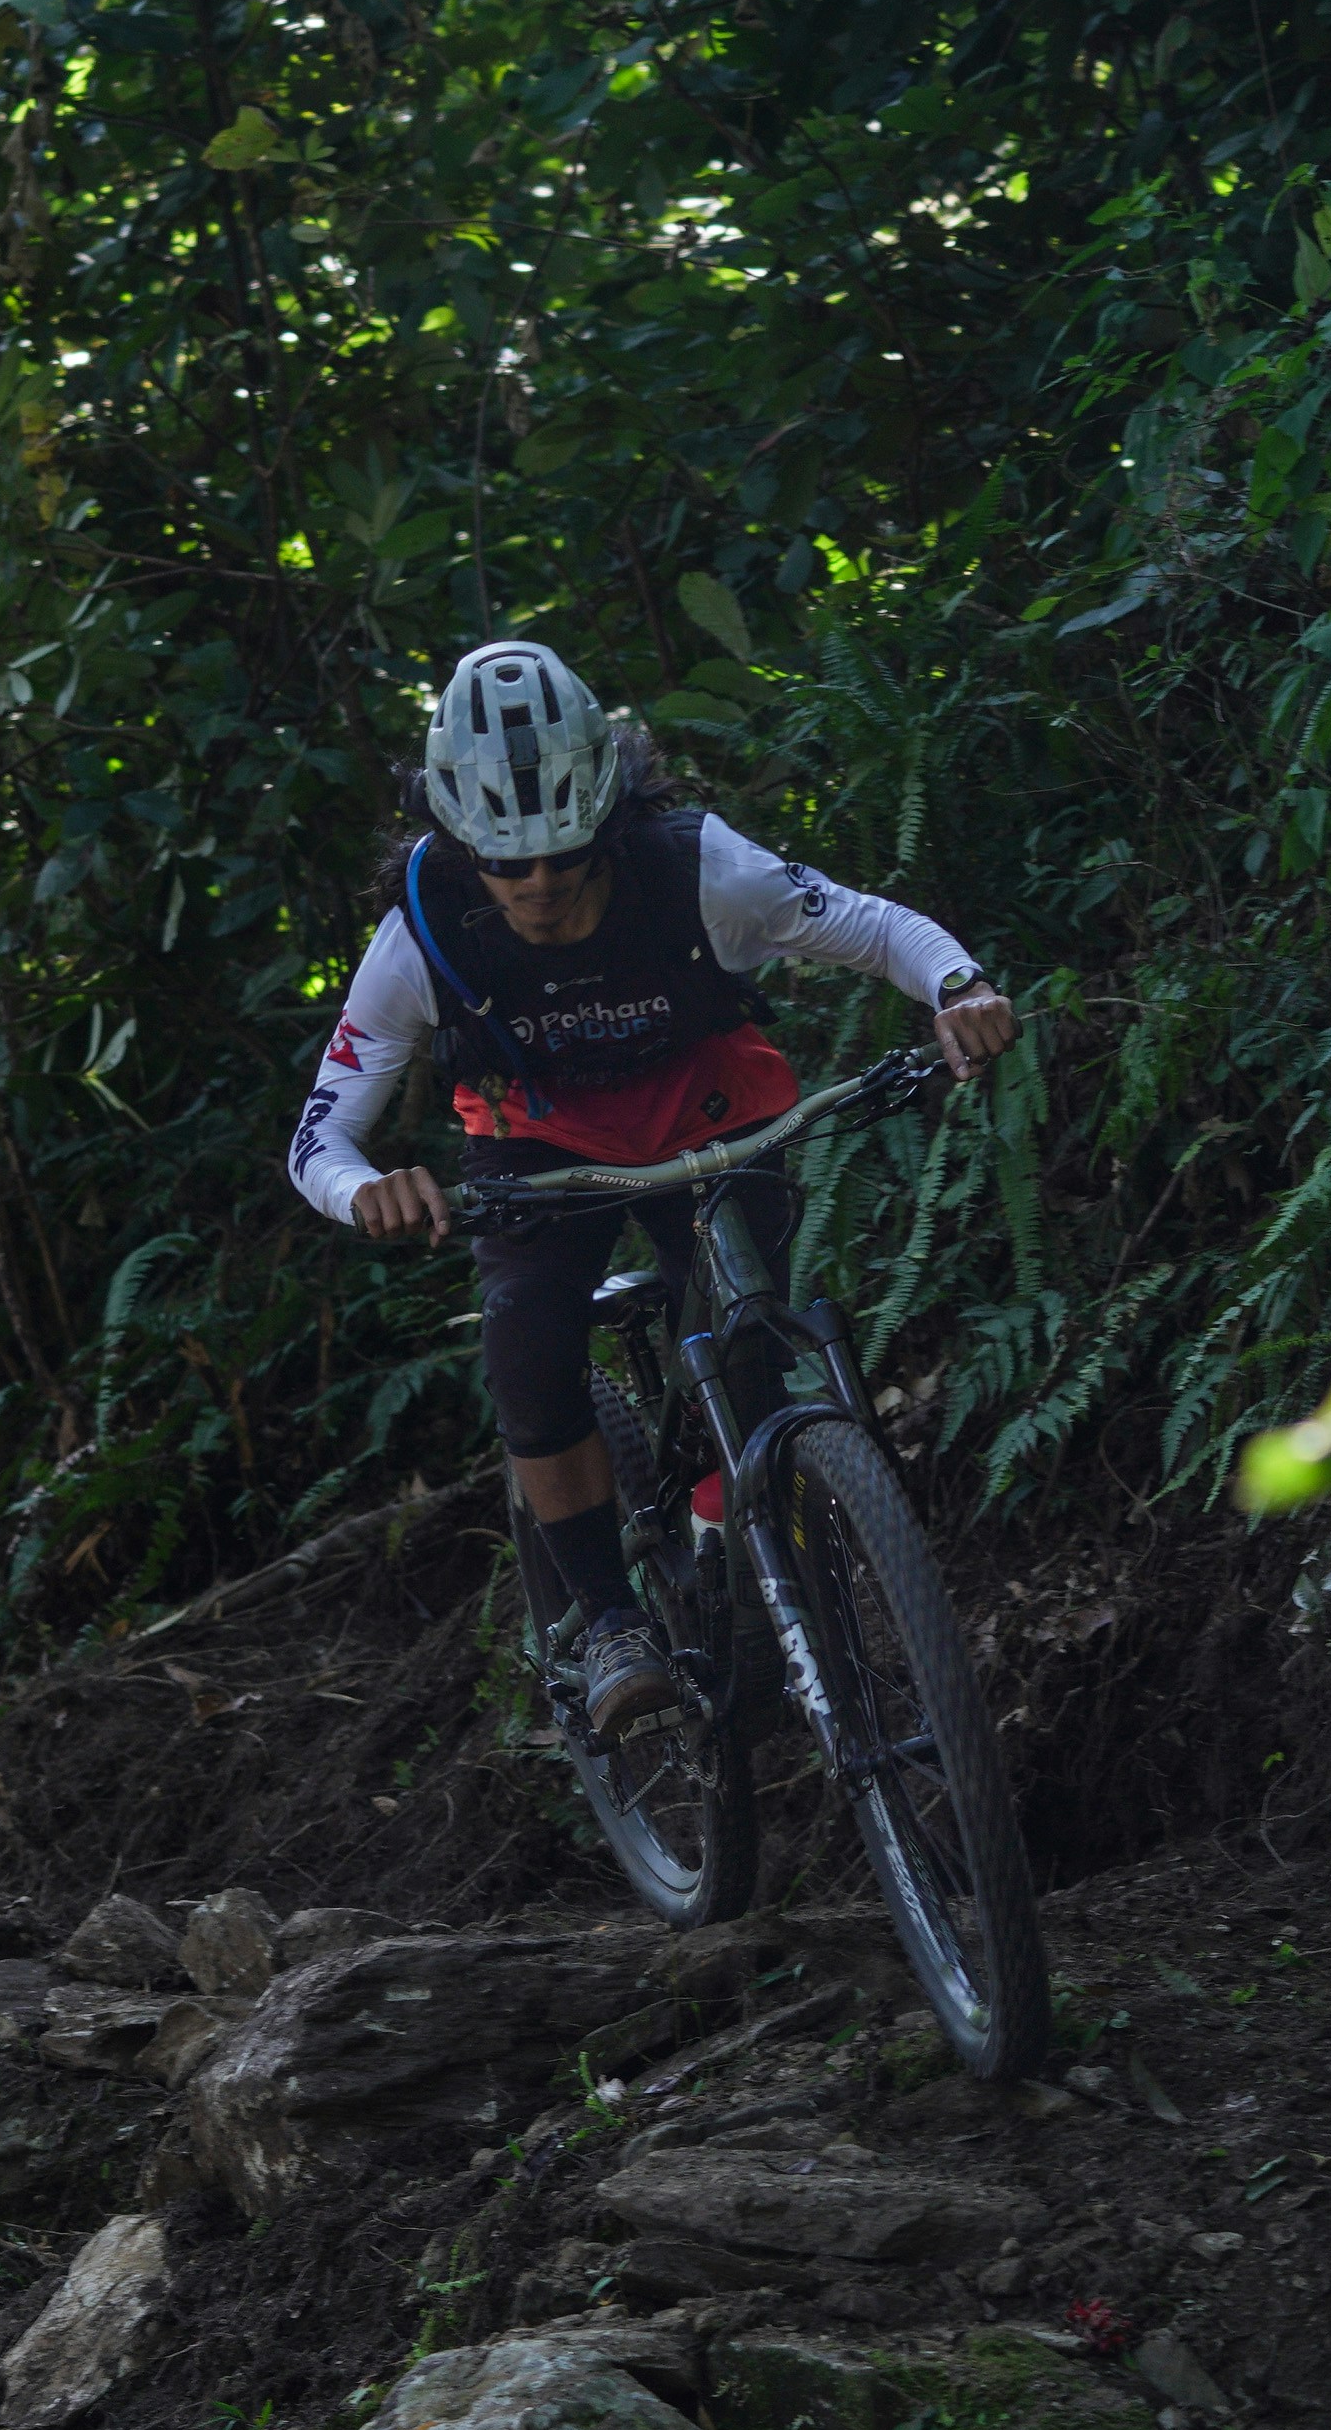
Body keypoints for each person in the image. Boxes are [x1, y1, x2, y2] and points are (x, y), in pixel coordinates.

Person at [289, 638, 1018, 1735]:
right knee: (529, 1354)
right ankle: (610, 1617)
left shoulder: (701, 867)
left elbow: (875, 926)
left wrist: (958, 986)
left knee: (753, 1338)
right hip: (539, 1148)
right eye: (507, 864)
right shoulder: (419, 938)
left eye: (567, 858)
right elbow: (319, 1138)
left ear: (610, 821)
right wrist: (370, 1190)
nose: (538, 888)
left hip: (711, 1112)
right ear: (457, 839)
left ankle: (750, 1538)